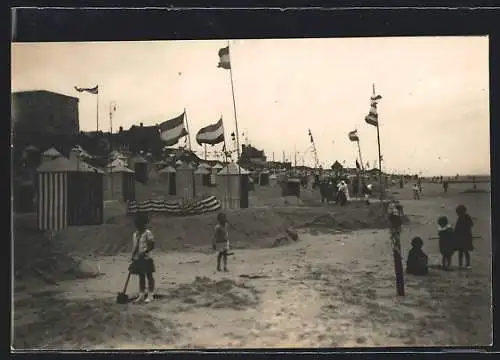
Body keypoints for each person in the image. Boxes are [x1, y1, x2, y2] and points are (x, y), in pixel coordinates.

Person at [129, 213, 156, 304]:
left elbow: (152, 245)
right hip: (138, 257)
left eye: (141, 225)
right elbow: (135, 246)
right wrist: (133, 256)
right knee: (141, 276)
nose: (139, 227)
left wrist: (145, 252)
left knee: (149, 275)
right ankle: (141, 295)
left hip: (147, 257)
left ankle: (150, 295)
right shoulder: (135, 234)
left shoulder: (148, 233)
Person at [455, 205, 474, 269]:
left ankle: (466, 264)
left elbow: (457, 228)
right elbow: (471, 225)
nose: (458, 214)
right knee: (462, 251)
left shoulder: (464, 217)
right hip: (464, 237)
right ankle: (462, 264)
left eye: (458, 212)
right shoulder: (465, 217)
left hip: (464, 237)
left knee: (464, 251)